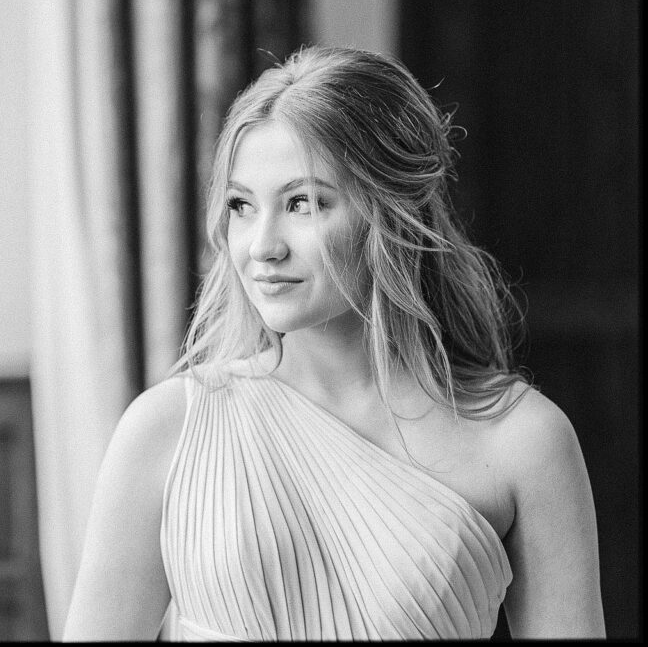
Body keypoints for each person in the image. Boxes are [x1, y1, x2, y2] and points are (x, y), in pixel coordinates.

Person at [61, 45, 605, 640]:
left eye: (302, 203)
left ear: (390, 212)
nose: (261, 245)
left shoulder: (524, 441)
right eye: (242, 206)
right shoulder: (166, 429)